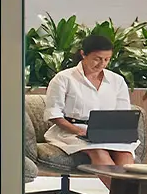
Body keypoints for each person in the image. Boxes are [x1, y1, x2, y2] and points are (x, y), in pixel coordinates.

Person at [45, 29, 139, 168]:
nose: (102, 64)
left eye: (107, 59)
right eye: (97, 59)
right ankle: (120, 190)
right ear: (83, 54)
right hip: (72, 131)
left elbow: (121, 114)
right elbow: (54, 114)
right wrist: (79, 131)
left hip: (106, 133)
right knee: (99, 152)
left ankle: (126, 190)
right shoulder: (64, 78)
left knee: (124, 154)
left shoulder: (117, 80)